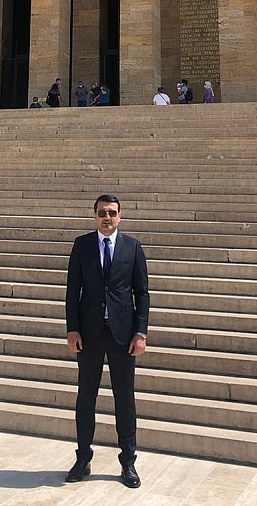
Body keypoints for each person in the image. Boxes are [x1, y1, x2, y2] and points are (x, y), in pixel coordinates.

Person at [65, 194, 149, 489]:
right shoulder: (82, 245)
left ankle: (128, 461)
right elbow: (73, 290)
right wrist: (72, 329)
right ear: (94, 216)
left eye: (112, 213)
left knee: (124, 400)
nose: (107, 218)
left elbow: (142, 293)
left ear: (120, 216)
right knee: (85, 397)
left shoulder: (132, 247)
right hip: (89, 335)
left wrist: (140, 333)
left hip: (122, 336)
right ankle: (82, 458)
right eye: (102, 212)